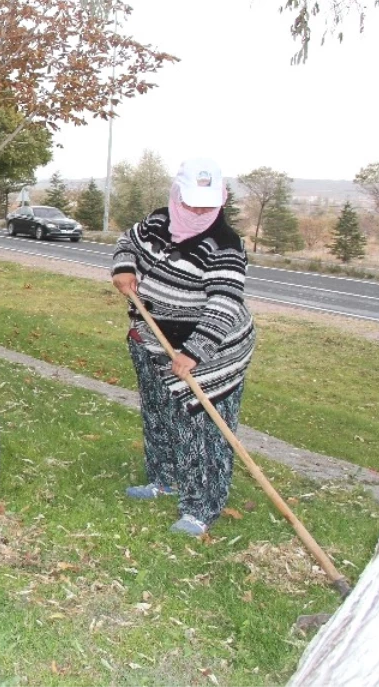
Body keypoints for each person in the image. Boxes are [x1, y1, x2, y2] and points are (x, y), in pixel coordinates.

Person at [111, 157, 255, 536]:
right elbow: (128, 241)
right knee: (160, 414)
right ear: (177, 193)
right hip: (154, 340)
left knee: (202, 428)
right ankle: (165, 478)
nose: (199, 209)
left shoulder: (225, 246)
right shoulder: (158, 221)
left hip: (212, 350)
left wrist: (194, 353)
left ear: (220, 198)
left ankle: (201, 507)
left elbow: (224, 305)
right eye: (192, 201)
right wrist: (124, 268)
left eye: (207, 203)